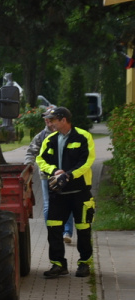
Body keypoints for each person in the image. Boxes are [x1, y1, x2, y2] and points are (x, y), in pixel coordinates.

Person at [36, 107, 96, 279]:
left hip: (79, 192)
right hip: (58, 193)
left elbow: (87, 161)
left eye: (53, 119)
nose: (50, 123)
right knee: (54, 228)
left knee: (83, 228)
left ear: (63, 120)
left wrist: (69, 175)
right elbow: (41, 160)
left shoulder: (83, 136)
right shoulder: (50, 139)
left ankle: (84, 263)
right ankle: (58, 264)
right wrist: (55, 171)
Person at [24, 115, 75, 243]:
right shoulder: (41, 136)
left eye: (50, 118)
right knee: (48, 204)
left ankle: (67, 232)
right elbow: (31, 152)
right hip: (46, 175)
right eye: (45, 118)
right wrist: (29, 166)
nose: (47, 120)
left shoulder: (66, 134)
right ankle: (53, 232)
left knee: (67, 202)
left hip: (65, 174)